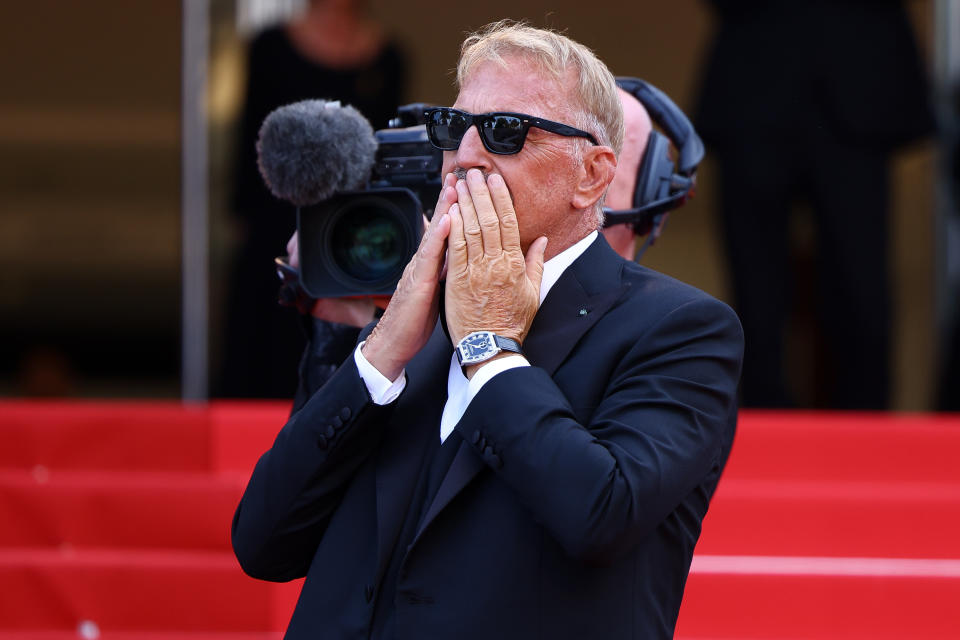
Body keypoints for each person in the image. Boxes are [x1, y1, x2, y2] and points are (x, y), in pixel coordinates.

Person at [232, 21, 743, 639]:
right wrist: (381, 350)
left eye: (506, 132)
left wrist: (489, 346)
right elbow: (263, 543)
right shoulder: (408, 326)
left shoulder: (681, 328)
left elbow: (602, 514)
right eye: (454, 128)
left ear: (592, 174)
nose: (466, 156)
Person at [694, 0, 933, 408]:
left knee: (862, 284)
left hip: (858, 86)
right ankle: (760, 429)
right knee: (755, 288)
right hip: (755, 83)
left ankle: (870, 435)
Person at [217, 0, 407, 398]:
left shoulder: (388, 55)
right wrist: (242, 214)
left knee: (343, 341)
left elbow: (387, 150)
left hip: (354, 227)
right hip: (278, 215)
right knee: (265, 335)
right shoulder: (270, 45)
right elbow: (251, 139)